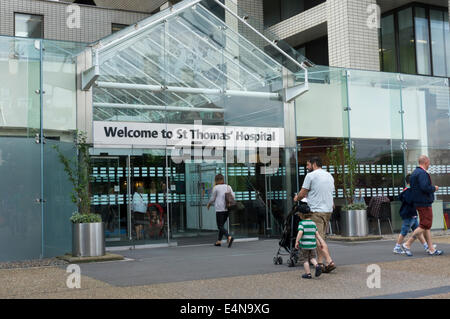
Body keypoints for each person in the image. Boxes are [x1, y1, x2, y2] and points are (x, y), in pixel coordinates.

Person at [294, 156, 336, 273]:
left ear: (314, 164)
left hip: (316, 211)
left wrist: (296, 198)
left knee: (318, 238)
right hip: (328, 210)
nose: (307, 167)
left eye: (308, 165)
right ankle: (321, 263)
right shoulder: (329, 175)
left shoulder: (311, 176)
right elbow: (329, 192)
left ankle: (329, 261)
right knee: (320, 236)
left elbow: (303, 193)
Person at [401, 155, 443, 256]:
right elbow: (425, 187)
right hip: (424, 203)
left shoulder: (415, 173)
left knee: (426, 226)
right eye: (429, 162)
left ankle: (431, 248)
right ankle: (407, 243)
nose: (429, 164)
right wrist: (434, 188)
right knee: (425, 225)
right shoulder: (422, 173)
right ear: (426, 162)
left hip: (419, 203)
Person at [393, 174, 435, 255]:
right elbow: (410, 201)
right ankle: (397, 247)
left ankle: (426, 246)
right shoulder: (409, 191)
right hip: (409, 214)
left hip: (412, 214)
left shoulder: (407, 190)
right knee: (404, 231)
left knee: (418, 231)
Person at [207, 174, 235, 248]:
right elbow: (233, 196)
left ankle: (229, 237)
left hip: (220, 209)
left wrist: (209, 204)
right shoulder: (228, 187)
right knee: (221, 226)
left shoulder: (216, 187)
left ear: (216, 180)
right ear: (223, 179)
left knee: (220, 226)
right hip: (227, 208)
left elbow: (212, 198)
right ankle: (218, 241)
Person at [295, 212, 323, 279]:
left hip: (304, 245)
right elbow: (317, 234)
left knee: (305, 259)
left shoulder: (301, 223)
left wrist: (297, 242)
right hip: (312, 245)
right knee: (312, 258)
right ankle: (317, 266)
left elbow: (300, 233)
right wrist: (321, 242)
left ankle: (308, 274)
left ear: (301, 215)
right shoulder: (313, 224)